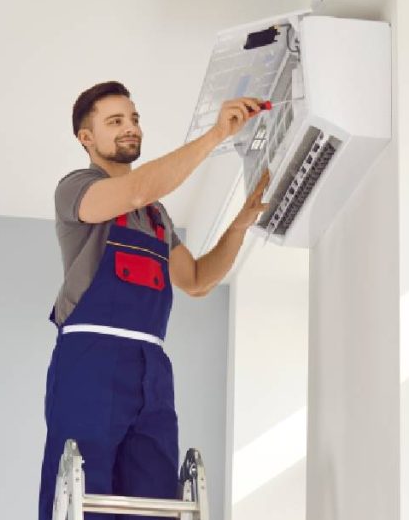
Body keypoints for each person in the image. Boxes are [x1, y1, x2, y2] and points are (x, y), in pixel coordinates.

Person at [38, 81, 270, 520]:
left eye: (135, 118)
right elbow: (136, 190)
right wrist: (216, 134)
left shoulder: (156, 216)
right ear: (86, 138)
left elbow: (197, 280)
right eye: (115, 121)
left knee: (155, 502)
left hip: (152, 368)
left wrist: (239, 226)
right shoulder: (76, 188)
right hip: (92, 359)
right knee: (81, 494)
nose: (131, 127)